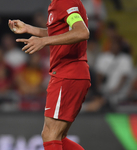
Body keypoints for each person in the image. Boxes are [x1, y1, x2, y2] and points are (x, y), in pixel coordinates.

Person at [8, 0, 91, 149]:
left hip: (68, 74)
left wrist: (44, 41)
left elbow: (82, 32)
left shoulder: (64, 1)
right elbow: (63, 31)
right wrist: (29, 29)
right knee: (57, 137)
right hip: (68, 73)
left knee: (50, 135)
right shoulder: (58, 3)